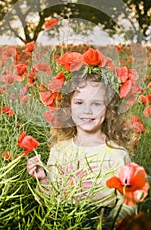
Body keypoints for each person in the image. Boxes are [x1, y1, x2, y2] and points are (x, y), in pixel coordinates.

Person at [27, 48, 138, 229]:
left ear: (109, 109)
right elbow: (51, 203)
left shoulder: (117, 155)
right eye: (79, 103)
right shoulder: (59, 150)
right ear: (68, 108)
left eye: (96, 103)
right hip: (64, 221)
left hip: (102, 222)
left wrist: (110, 224)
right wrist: (42, 179)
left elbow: (127, 203)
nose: (87, 111)